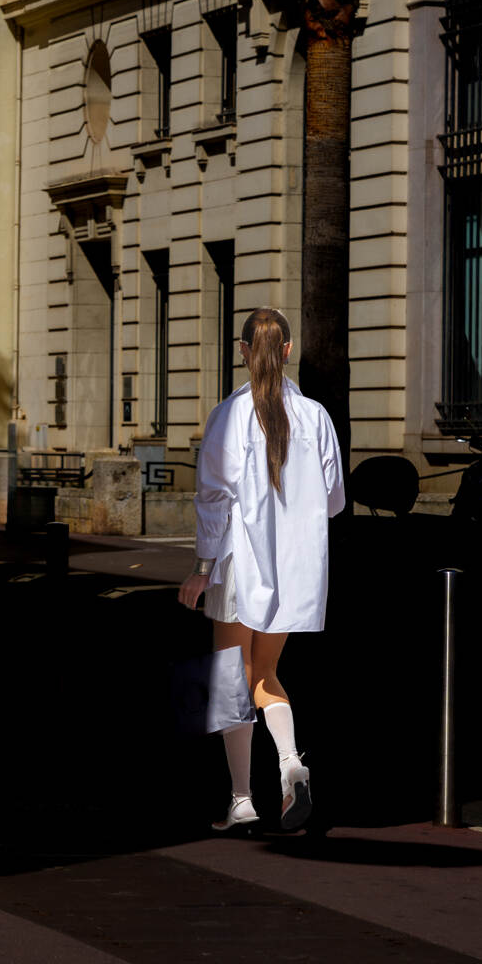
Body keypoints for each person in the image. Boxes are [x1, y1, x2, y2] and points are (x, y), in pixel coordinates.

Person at [177, 307, 344, 832]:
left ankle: (242, 799)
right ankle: (291, 764)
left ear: (243, 351)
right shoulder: (315, 417)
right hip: (293, 569)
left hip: (238, 567)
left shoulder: (229, 414)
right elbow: (335, 500)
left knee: (233, 681)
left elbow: (214, 499)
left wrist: (202, 568)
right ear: (288, 351)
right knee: (265, 675)